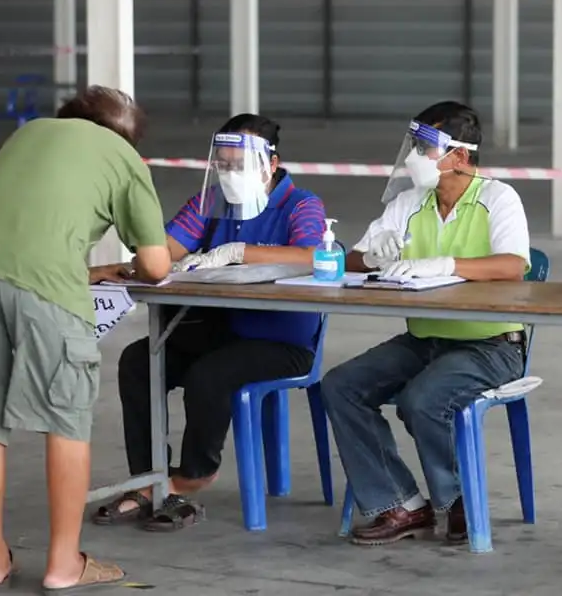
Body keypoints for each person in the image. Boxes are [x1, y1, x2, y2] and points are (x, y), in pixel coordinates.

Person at [0, 86, 171, 592]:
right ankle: (64, 563)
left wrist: (89, 268)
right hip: (45, 284)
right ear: (127, 138)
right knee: (66, 417)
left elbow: (25, 228)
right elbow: (156, 265)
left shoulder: (28, 135)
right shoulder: (124, 158)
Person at [90, 113, 327, 531]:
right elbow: (166, 250)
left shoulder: (300, 204)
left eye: (241, 163)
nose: (230, 172)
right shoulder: (210, 202)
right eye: (224, 162)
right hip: (218, 330)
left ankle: (193, 475)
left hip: (282, 340)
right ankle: (150, 475)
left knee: (209, 375)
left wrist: (239, 250)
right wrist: (129, 258)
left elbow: (313, 256)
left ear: (271, 165)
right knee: (139, 360)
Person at [320, 101, 531, 546]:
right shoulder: (409, 202)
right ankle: (400, 504)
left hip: (491, 344)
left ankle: (455, 503)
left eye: (424, 146)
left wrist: (446, 264)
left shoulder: (497, 197)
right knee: (341, 386)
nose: (414, 155)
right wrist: (374, 255)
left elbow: (513, 265)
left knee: (423, 399)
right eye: (412, 144)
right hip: (426, 338)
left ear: (459, 155)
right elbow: (355, 258)